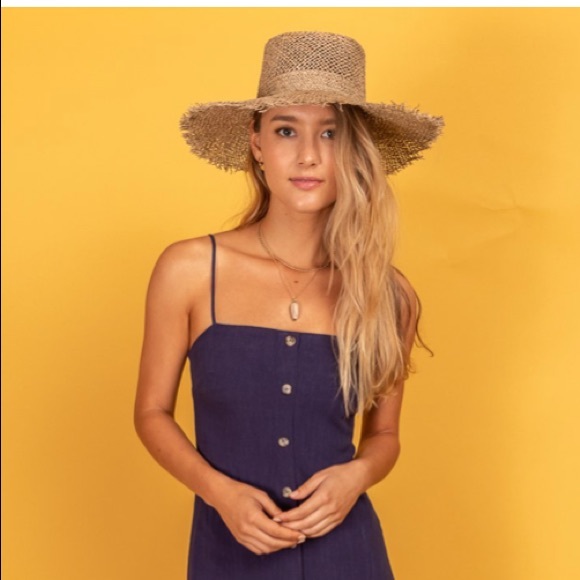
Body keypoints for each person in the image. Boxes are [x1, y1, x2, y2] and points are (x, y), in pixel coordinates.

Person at [134, 31, 443, 580]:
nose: (308, 155)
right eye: (285, 130)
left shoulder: (387, 293)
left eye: (330, 133)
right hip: (229, 554)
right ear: (256, 143)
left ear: (354, 149)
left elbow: (384, 436)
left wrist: (355, 477)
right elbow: (151, 413)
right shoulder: (190, 270)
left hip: (349, 555)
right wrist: (220, 493)